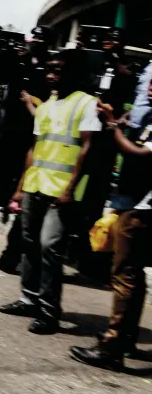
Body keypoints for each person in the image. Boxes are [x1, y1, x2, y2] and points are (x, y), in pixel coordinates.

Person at [0, 49, 101, 335]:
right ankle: (28, 299)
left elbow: (88, 149)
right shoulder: (46, 106)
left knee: (49, 246)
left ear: (74, 73)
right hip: (36, 184)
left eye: (58, 69)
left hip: (62, 191)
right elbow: (34, 148)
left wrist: (69, 190)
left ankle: (49, 311)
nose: (51, 74)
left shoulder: (87, 104)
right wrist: (19, 189)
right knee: (29, 242)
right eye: (49, 69)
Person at [70, 89, 152, 370]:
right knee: (133, 275)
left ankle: (112, 347)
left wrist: (114, 124)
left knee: (124, 276)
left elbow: (140, 154)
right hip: (136, 203)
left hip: (142, 208)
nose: (149, 88)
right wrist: (122, 121)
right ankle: (125, 339)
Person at [0, 26, 52, 274]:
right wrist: (10, 54)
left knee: (26, 202)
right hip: (14, 130)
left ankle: (12, 257)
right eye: (33, 37)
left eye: (41, 38)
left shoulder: (49, 68)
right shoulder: (22, 60)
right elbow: (3, 74)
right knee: (4, 170)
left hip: (36, 135)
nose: (35, 41)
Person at [77, 27, 136, 278]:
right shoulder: (93, 63)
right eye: (107, 39)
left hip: (107, 138)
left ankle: (91, 263)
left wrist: (116, 121)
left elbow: (132, 99)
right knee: (78, 194)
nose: (109, 43)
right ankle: (77, 251)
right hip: (87, 132)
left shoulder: (128, 68)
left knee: (96, 197)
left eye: (115, 40)